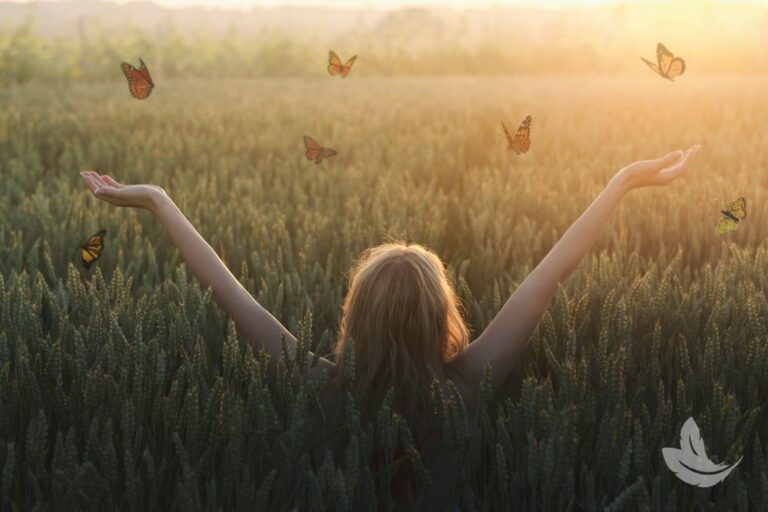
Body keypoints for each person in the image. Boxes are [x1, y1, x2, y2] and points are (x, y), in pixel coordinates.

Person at [80, 144, 699, 508]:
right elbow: (550, 275)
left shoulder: (320, 387)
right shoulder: (470, 382)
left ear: (356, 313)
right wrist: (622, 183)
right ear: (443, 314)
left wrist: (159, 199)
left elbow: (225, 289)